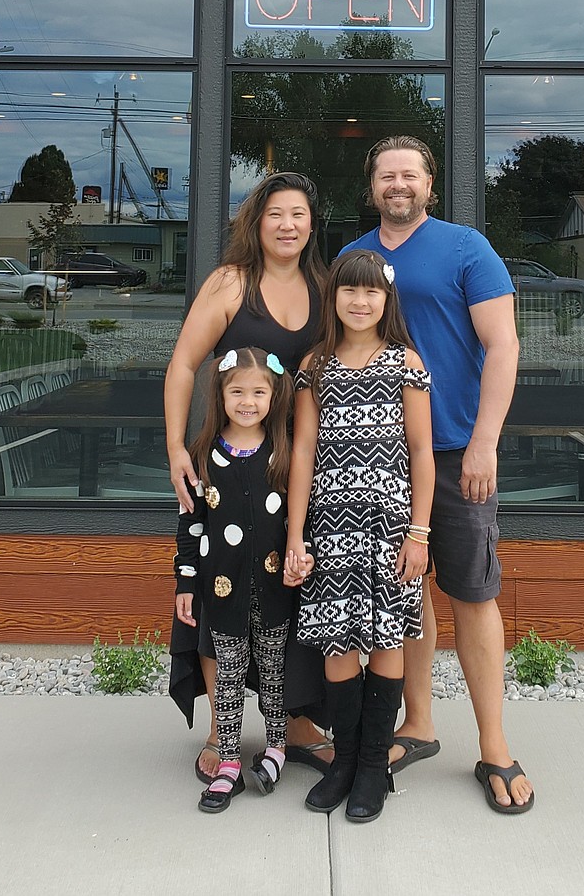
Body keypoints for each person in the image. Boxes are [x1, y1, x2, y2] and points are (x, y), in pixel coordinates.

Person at [341, 136, 535, 815]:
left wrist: (485, 441)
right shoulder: (352, 259)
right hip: (374, 458)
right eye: (386, 174)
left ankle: (494, 748)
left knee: (472, 594)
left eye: (410, 174)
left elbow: (504, 344)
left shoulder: (464, 248)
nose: (398, 184)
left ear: (429, 183)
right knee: (406, 592)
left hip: (454, 452)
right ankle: (418, 724)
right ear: (372, 188)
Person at [164, 171, 330, 781]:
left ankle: (300, 720)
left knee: (296, 593)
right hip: (228, 470)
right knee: (220, 592)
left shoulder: (324, 283)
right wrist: (176, 445)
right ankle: (221, 728)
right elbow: (183, 364)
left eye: (299, 215)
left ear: (312, 225)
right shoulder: (231, 283)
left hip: (298, 469)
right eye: (275, 215)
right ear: (255, 224)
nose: (288, 225)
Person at [285, 250, 435, 824]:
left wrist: (418, 534)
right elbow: (301, 451)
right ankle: (344, 760)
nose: (360, 301)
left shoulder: (406, 363)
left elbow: (422, 452)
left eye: (371, 293)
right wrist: (296, 533)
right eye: (349, 291)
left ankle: (374, 765)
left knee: (386, 640)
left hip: (391, 528)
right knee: (338, 644)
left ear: (386, 300)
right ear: (335, 298)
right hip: (330, 527)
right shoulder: (316, 365)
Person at [173, 346, 302, 813]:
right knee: (227, 674)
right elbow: (190, 525)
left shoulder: (282, 452)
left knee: (273, 671)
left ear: (273, 395)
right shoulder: (204, 455)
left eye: (259, 392)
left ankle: (276, 747)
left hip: (273, 589)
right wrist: (185, 582)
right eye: (238, 392)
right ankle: (229, 761)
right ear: (221, 395)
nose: (248, 401)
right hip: (221, 589)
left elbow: (295, 519)